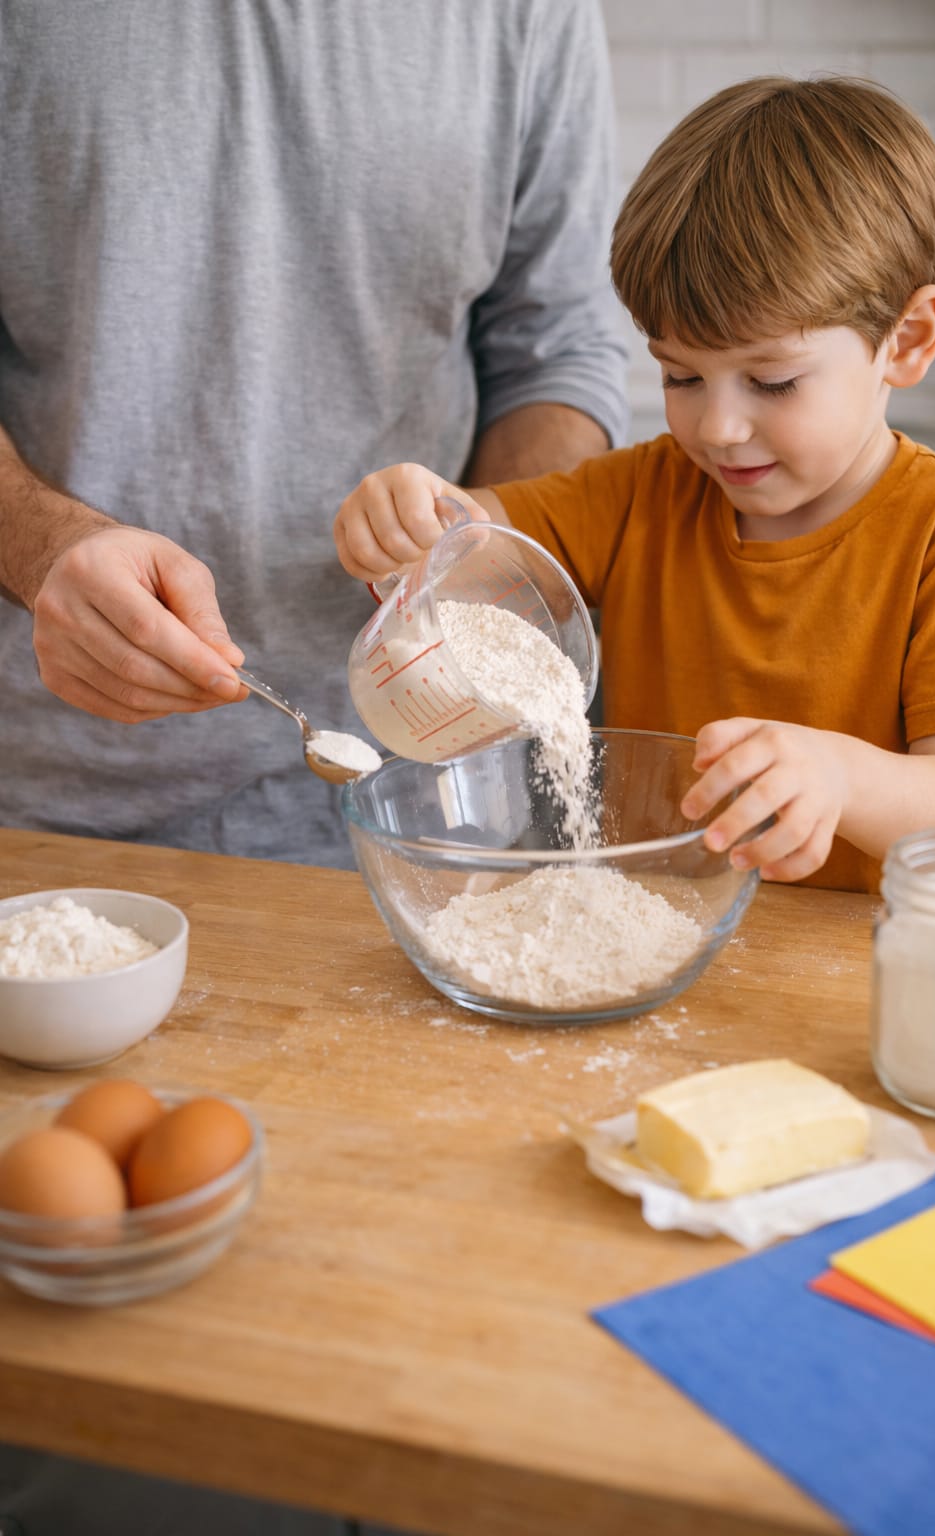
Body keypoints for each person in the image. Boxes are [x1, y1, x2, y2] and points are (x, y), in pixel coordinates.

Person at [0, 6, 626, 1534]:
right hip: (61, 835)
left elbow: (563, 338)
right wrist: (42, 546)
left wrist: (484, 538)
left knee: (422, 1361)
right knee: (97, 1410)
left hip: (426, 825)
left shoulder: (522, 16)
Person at [335, 74, 935, 894]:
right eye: (681, 376)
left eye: (771, 382)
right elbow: (476, 539)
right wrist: (410, 512)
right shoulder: (647, 492)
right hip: (654, 934)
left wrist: (839, 775)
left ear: (906, 341)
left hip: (851, 973)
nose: (717, 428)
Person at [0, 0, 628, 871]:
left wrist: (481, 557)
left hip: (440, 795)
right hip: (57, 799)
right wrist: (38, 545)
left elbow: (555, 349)